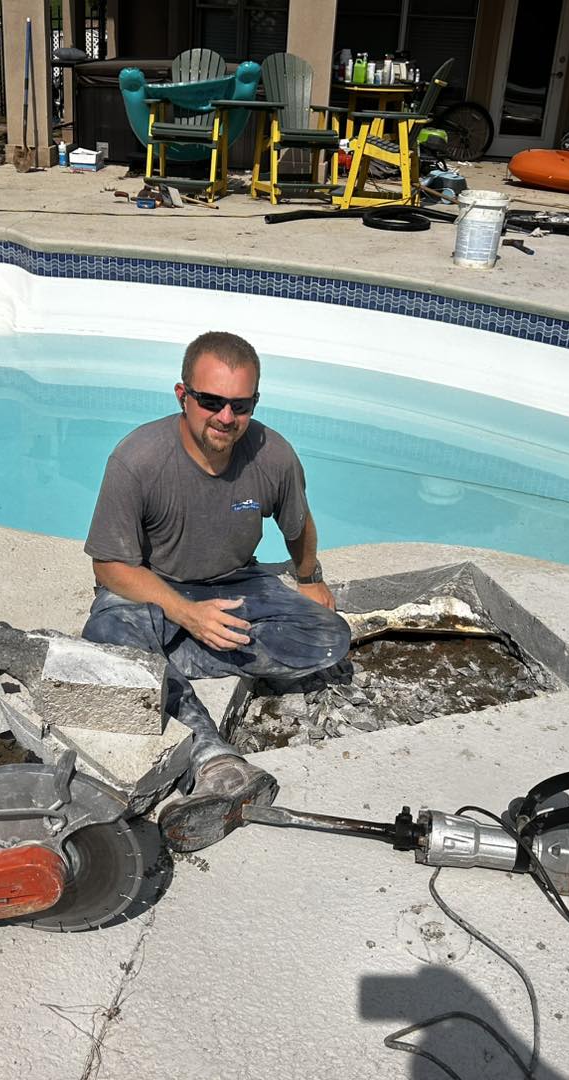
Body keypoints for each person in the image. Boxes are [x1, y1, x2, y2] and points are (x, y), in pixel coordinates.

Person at [83, 331, 352, 852]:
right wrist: (185, 612)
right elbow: (110, 564)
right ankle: (215, 761)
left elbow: (297, 524)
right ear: (183, 396)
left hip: (235, 583)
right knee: (108, 631)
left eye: (240, 404)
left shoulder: (272, 455)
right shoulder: (137, 459)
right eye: (211, 401)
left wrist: (310, 576)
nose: (225, 417)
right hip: (151, 590)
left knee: (328, 639)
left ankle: (162, 665)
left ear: (254, 403)